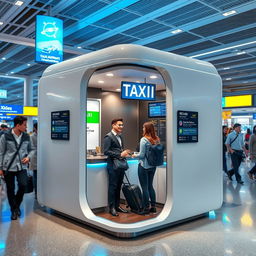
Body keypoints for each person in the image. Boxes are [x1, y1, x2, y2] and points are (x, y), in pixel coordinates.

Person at [0, 116, 34, 220]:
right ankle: (13, 210)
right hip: (8, 167)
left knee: (23, 185)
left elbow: (32, 149)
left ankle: (16, 205)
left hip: (21, 166)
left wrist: (28, 157)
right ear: (18, 125)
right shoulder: (5, 136)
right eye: (24, 125)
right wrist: (0, 168)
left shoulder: (26, 137)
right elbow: (1, 152)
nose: (26, 127)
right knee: (10, 189)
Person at [103, 118, 130, 216]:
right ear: (113, 125)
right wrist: (120, 154)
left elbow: (119, 149)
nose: (121, 127)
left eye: (122, 125)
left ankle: (117, 206)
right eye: (119, 125)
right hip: (113, 165)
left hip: (120, 165)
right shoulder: (108, 137)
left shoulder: (121, 136)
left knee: (119, 186)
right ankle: (112, 208)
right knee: (113, 186)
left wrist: (124, 152)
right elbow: (106, 151)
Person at [133, 122, 160, 214]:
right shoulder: (156, 139)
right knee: (150, 186)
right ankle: (153, 207)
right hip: (153, 166)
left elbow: (141, 155)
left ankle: (145, 209)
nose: (142, 129)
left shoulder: (144, 140)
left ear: (147, 129)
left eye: (144, 128)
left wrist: (133, 155)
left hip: (144, 166)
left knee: (144, 188)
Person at [30, 122, 38, 199]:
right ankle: (36, 193)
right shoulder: (32, 137)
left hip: (43, 160)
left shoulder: (44, 136)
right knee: (36, 176)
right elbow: (31, 148)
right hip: (35, 159)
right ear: (35, 129)